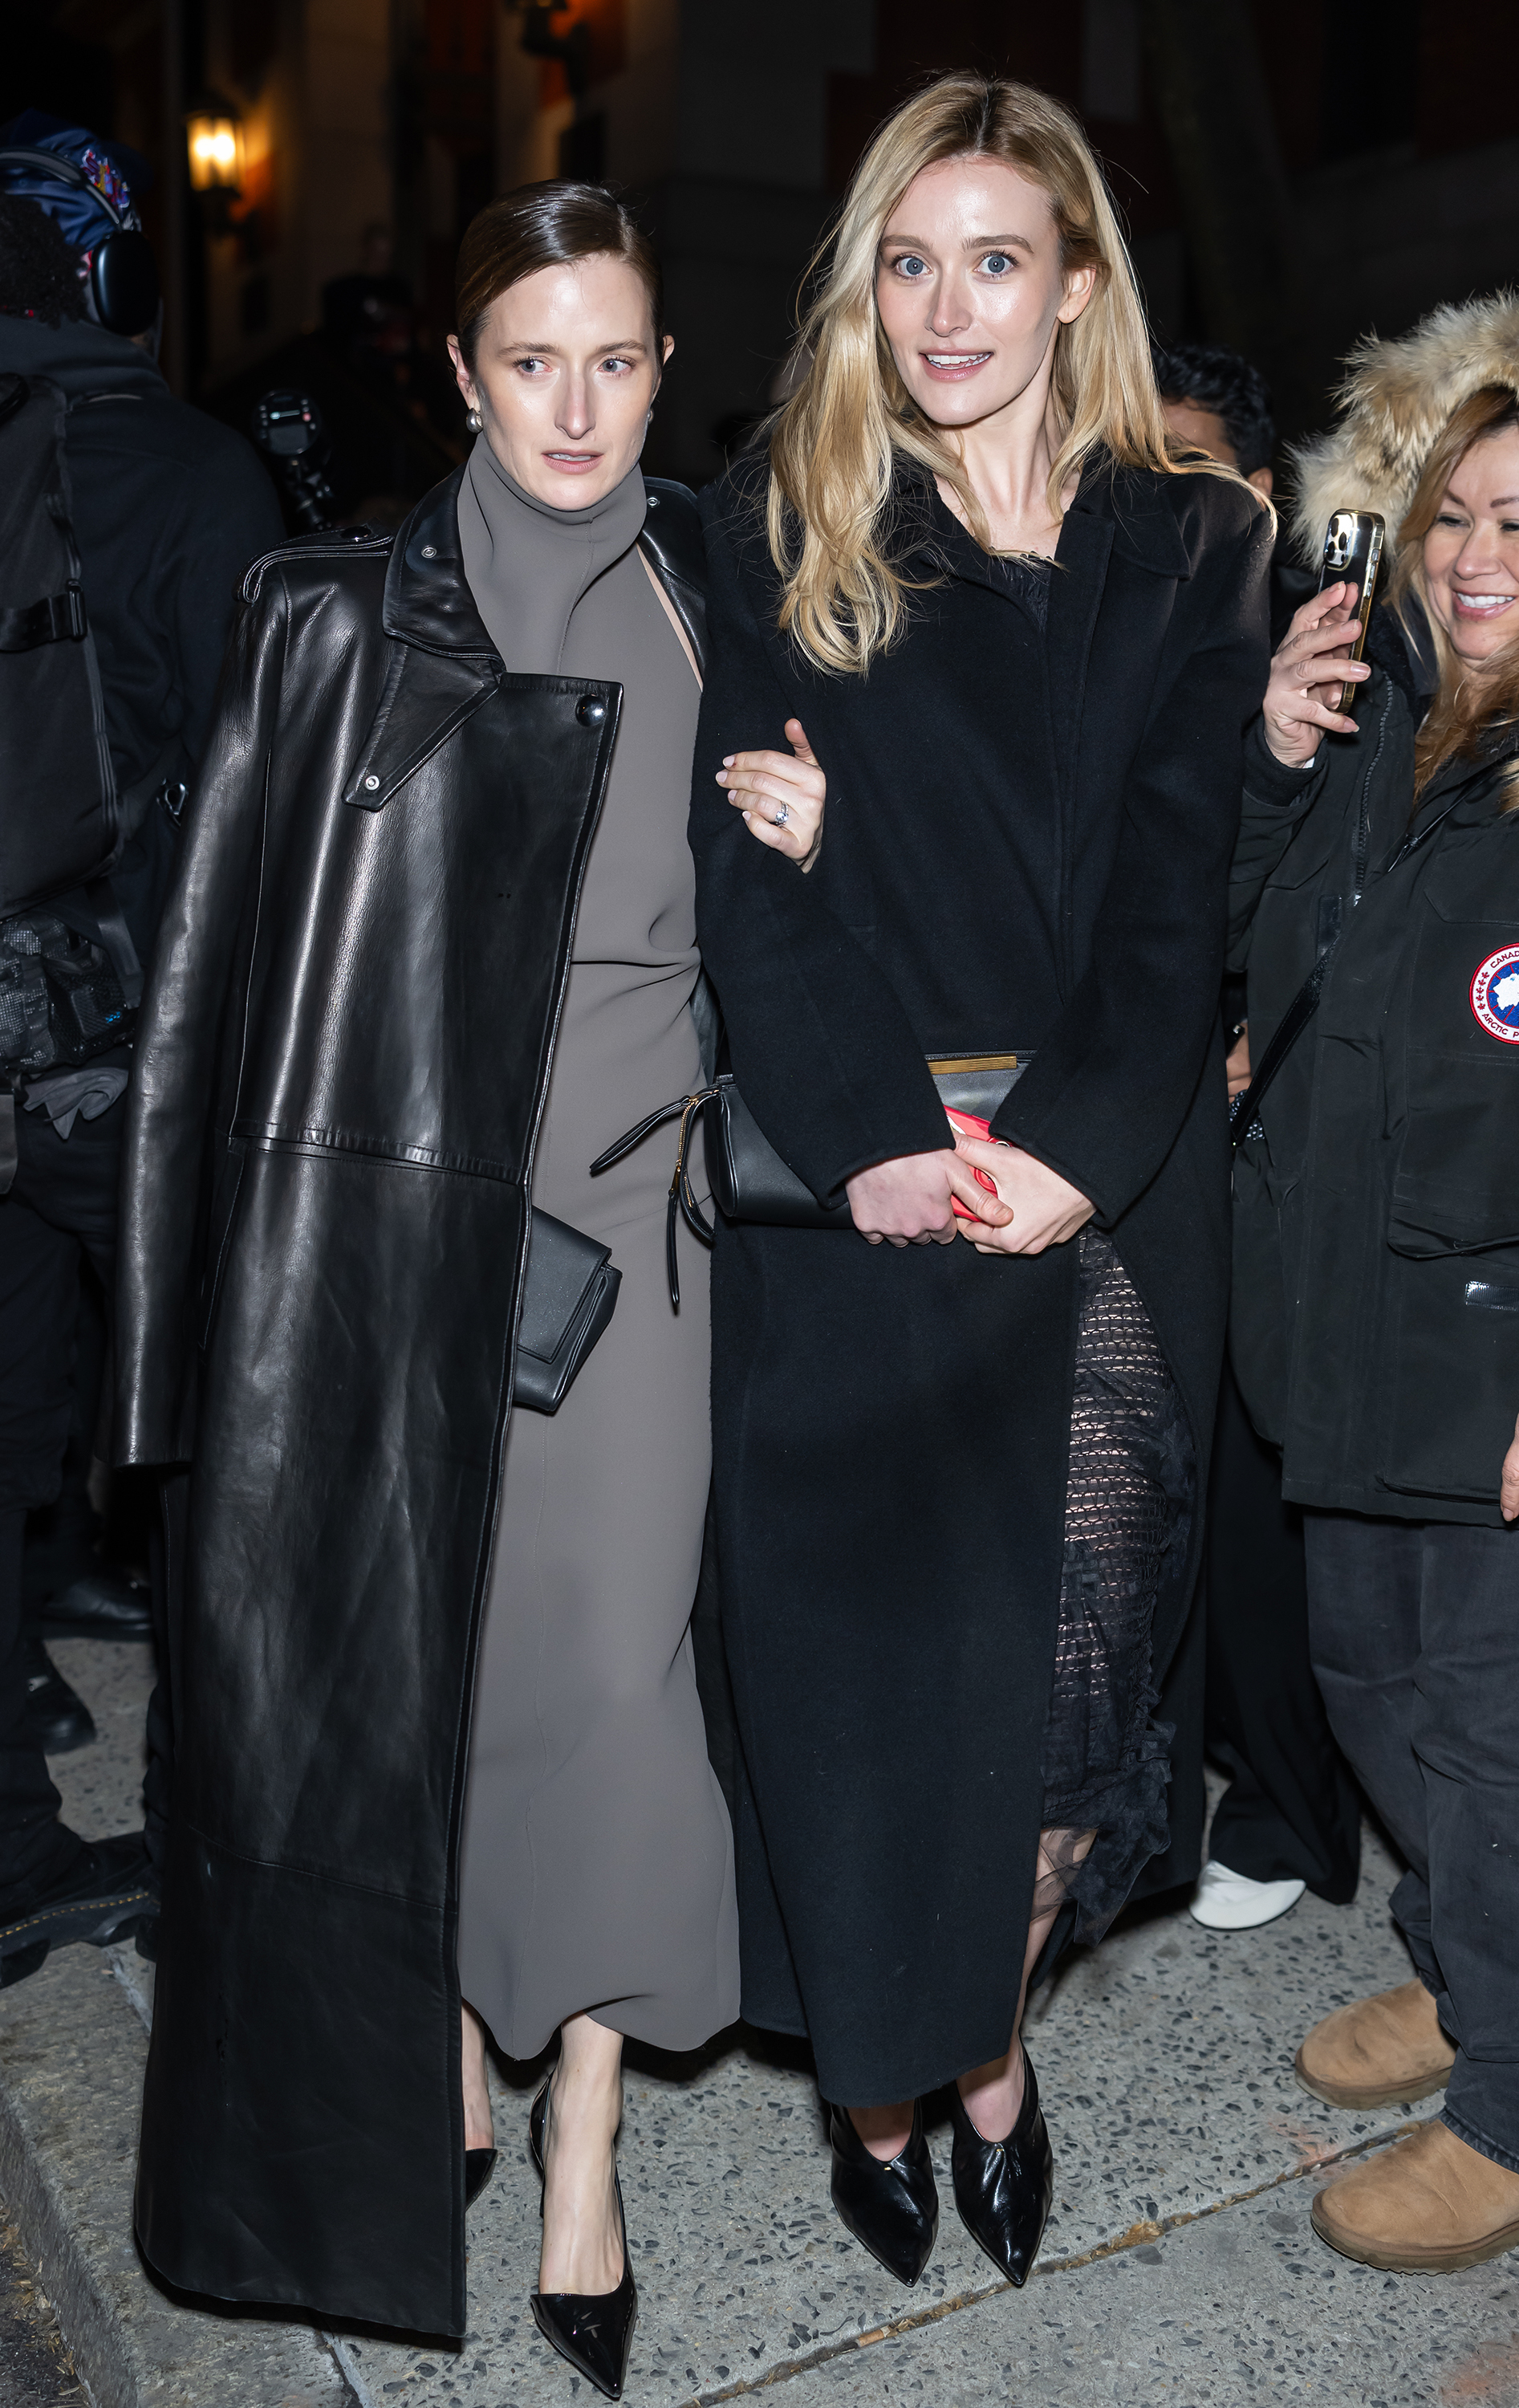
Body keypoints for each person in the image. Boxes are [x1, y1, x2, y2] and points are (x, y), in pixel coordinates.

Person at [113, 180, 811, 2389]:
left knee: (608, 1682)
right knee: (416, 1674)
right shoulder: (334, 618)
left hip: (646, 1249)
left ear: (660, 369)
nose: (578, 404)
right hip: (406, 1254)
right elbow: (214, 999)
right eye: (533, 361)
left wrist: (802, 826)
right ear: (460, 376)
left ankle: (582, 2123)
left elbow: (827, 879)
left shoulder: (726, 583)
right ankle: (429, 2033)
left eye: (615, 358)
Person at [691, 72, 1271, 2294]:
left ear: (1074, 283)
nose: (945, 308)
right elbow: (754, 905)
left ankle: (982, 2052)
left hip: (1097, 1191)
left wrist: (1068, 1154)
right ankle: (870, 2077)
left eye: (992, 260)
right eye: (905, 262)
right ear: (865, 287)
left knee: (1056, 1702)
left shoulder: (1188, 539)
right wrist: (872, 1151)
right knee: (858, 1703)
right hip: (863, 1210)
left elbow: (1162, 890)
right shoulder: (780, 524)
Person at [1228, 291, 1519, 2273]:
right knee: (1365, 1688)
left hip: (1488, 1357)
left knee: (1491, 1734)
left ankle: (1507, 2104)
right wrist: (1265, 754)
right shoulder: (1379, 722)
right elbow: (1250, 947)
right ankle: (1452, 1959)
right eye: (1452, 520)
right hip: (1339, 1316)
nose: (1477, 560)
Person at [0, 124, 282, 1985]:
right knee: (205, 1432)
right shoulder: (190, 476)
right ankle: (226, 1819)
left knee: (16, 1401)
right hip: (135, 1049)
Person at [1153, 337, 1363, 1934]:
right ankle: (1225, 1765)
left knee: (1251, 1477)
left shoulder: (1320, 640)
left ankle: (1290, 1810)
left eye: (1199, 469)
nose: (1168, 501)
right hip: (1150, 1112)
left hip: (1279, 1122)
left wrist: (1245, 1041)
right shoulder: (1112, 626)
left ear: (1261, 488)